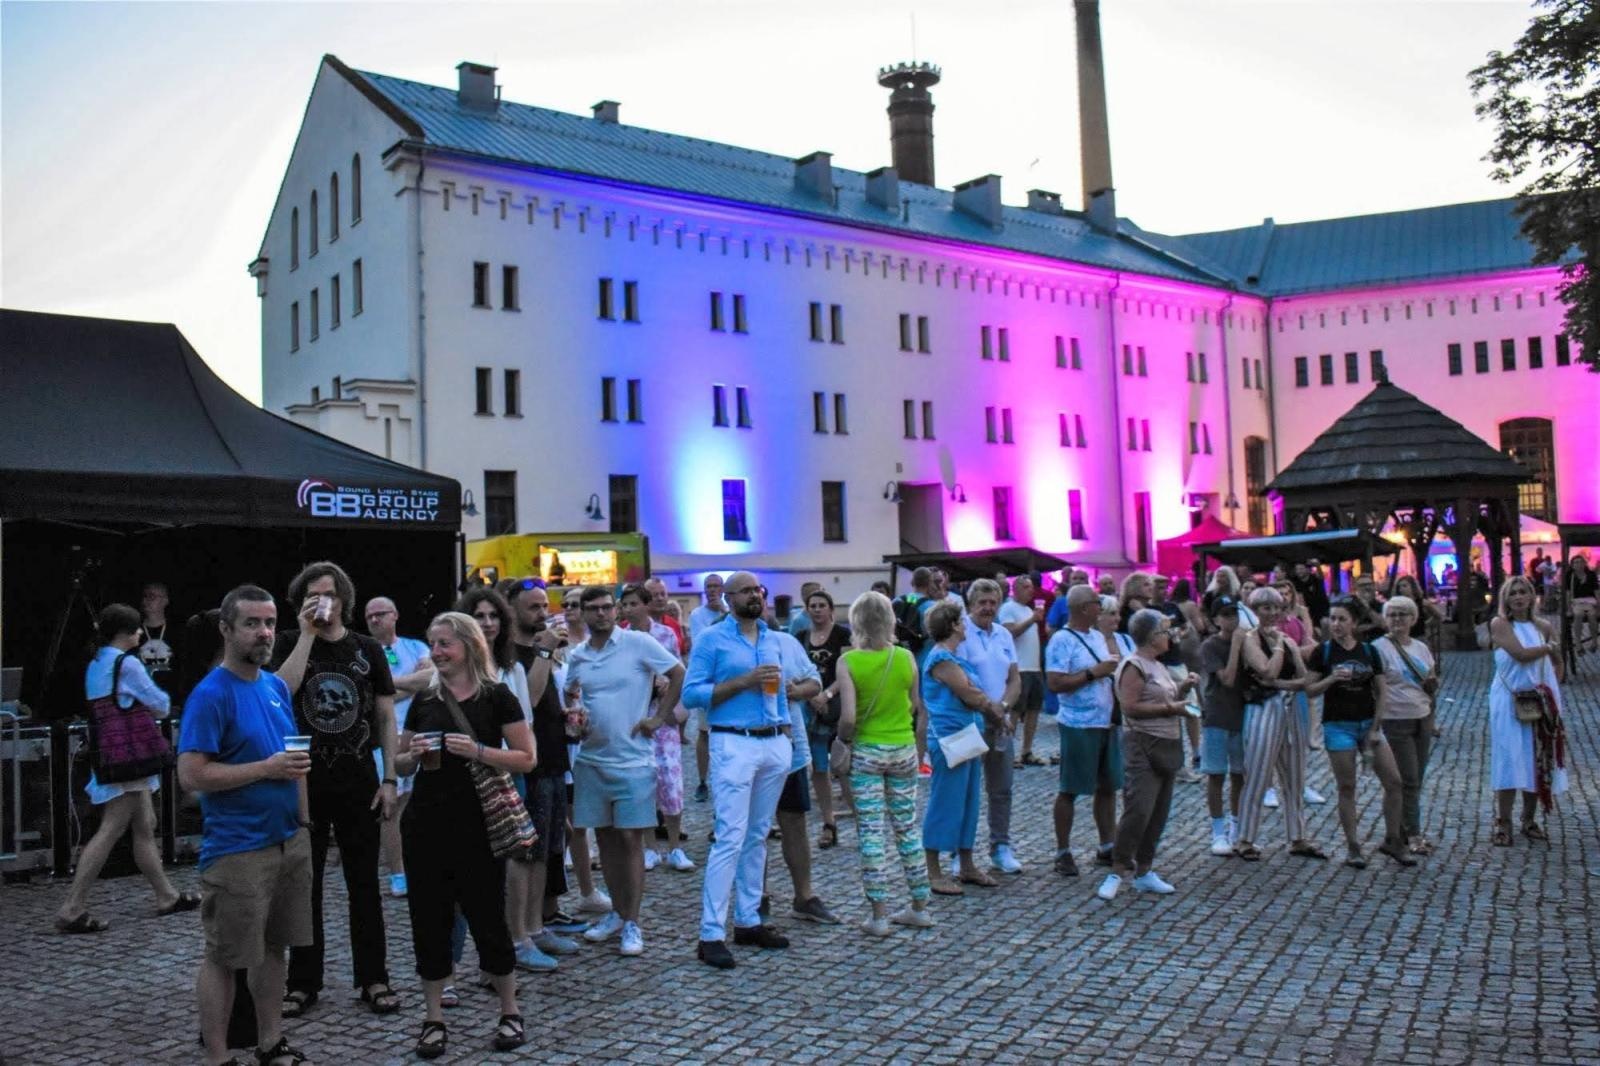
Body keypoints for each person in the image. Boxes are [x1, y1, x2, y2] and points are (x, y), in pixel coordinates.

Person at [178, 585, 314, 1066]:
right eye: (252, 624)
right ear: (226, 629)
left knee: (275, 949)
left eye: (270, 623)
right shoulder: (210, 694)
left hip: (287, 841)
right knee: (225, 957)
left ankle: (270, 1042)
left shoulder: (274, 686)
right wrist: (265, 769)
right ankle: (218, 1057)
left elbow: (293, 760)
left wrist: (304, 823)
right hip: (238, 849)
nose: (264, 633)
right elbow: (191, 777)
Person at [395, 612, 534, 1057]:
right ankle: (433, 1017)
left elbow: (527, 758)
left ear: (470, 646)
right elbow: (398, 762)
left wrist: (477, 750)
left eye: (444, 644)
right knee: (429, 922)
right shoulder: (426, 699)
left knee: (487, 918)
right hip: (426, 825)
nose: (435, 652)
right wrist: (410, 755)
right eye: (432, 644)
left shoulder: (498, 698)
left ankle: (510, 1010)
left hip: (478, 825)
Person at [270, 562, 397, 1019]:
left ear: (344, 598)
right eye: (311, 594)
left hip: (359, 779)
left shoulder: (366, 649)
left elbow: (385, 718)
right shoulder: (286, 642)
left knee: (364, 884)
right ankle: (303, 981)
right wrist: (306, 633)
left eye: (328, 593)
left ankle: (374, 977)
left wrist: (390, 779)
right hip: (303, 783)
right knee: (305, 886)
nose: (321, 601)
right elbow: (278, 694)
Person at [55, 603, 197, 934]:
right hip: (131, 756)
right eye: (135, 628)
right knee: (113, 826)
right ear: (124, 632)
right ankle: (72, 906)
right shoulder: (128, 664)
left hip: (112, 753)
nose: (139, 633)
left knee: (144, 823)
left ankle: (166, 895)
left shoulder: (96, 662)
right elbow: (160, 705)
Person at [562, 583, 685, 958]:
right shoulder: (579, 655)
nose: (600, 614)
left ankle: (633, 920)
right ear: (582, 612)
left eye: (606, 607)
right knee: (607, 839)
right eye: (592, 608)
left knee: (631, 840)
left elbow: (678, 673)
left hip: (633, 760)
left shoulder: (637, 643)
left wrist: (659, 718)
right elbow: (571, 694)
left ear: (615, 611)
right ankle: (617, 913)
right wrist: (576, 721)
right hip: (592, 759)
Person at [683, 572, 797, 969]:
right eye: (747, 591)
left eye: (758, 590)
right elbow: (692, 693)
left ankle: (748, 919)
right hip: (732, 740)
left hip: (771, 740)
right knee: (729, 836)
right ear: (728, 599)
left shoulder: (770, 637)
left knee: (758, 835)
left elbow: (781, 688)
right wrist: (743, 681)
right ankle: (710, 932)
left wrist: (784, 730)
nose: (755, 596)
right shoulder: (712, 639)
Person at [456, 585, 549, 973]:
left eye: (494, 616)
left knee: (517, 857)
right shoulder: (456, 666)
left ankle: (517, 939)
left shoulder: (511, 666)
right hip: (468, 774)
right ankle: (472, 956)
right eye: (480, 617)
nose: (488, 623)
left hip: (510, 771)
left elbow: (525, 719)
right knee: (471, 867)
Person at [832, 591, 931, 935]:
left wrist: (843, 742)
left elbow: (847, 718)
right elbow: (915, 706)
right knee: (907, 829)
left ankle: (879, 915)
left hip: (867, 751)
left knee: (871, 833)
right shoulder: (906, 657)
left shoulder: (849, 662)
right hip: (903, 748)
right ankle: (919, 906)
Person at [1304, 597, 1415, 869]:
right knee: (1347, 786)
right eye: (1333, 618)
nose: (1336, 624)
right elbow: (1310, 690)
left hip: (1368, 723)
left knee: (1394, 782)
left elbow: (1381, 691)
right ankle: (1353, 845)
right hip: (1338, 725)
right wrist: (1331, 679)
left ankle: (1393, 840)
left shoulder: (1368, 652)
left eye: (1342, 619)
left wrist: (1376, 728)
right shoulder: (1324, 652)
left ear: (1353, 623)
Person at [500, 579, 576, 966]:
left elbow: (547, 703)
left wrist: (570, 716)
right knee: (525, 853)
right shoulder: (510, 654)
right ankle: (519, 938)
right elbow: (524, 701)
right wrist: (546, 651)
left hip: (552, 759)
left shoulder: (541, 651)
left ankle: (535, 928)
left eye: (545, 605)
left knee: (546, 852)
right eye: (533, 607)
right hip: (526, 763)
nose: (543, 613)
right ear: (511, 610)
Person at [1095, 609, 1197, 900]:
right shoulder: (1134, 665)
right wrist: (1172, 709)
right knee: (1138, 809)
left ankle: (1144, 870)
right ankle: (1118, 869)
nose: (1171, 637)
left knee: (1158, 811)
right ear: (1153, 637)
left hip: (1166, 743)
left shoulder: (1158, 665)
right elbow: (1130, 706)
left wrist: (1183, 689)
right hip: (1142, 744)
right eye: (1166, 632)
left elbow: (1165, 696)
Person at [1232, 586, 1326, 863]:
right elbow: (1267, 670)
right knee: (1258, 774)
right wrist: (1276, 649)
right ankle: (1245, 839)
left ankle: (1297, 836)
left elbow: (1303, 679)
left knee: (1295, 776)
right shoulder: (1250, 638)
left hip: (1289, 708)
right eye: (1265, 608)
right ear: (1255, 611)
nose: (1272, 613)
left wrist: (1280, 683)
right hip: (1263, 709)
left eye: (1275, 607)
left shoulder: (1288, 639)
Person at [920, 601, 1008, 895]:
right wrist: (995, 712)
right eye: (961, 621)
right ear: (955, 625)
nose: (965, 625)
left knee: (969, 802)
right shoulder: (942, 659)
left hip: (966, 735)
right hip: (949, 739)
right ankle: (933, 870)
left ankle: (967, 863)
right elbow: (969, 693)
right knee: (945, 802)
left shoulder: (953, 656)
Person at [1044, 585, 1124, 876]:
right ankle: (1062, 851)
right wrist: (1093, 673)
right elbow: (1054, 683)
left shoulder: (1097, 637)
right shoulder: (1062, 641)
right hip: (1078, 723)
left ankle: (1107, 845)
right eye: (1095, 603)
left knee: (1108, 787)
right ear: (1082, 609)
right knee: (1070, 788)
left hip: (1104, 721)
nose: (1100, 608)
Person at [615, 584, 694, 873]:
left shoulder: (665, 634)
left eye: (634, 603)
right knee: (643, 781)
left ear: (645, 605)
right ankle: (650, 847)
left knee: (671, 780)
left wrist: (665, 689)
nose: (629, 609)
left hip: (663, 714)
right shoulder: (620, 637)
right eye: (625, 605)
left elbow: (676, 670)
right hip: (634, 716)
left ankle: (674, 846)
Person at [1488, 576, 1570, 845]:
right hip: (1509, 699)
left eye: (1524, 592)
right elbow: (1521, 654)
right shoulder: (1500, 624)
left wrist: (1550, 689)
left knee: (1537, 755)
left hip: (1539, 700)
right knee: (1509, 756)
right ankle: (1503, 821)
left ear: (1532, 595)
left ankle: (1529, 819)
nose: (1519, 597)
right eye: (1513, 593)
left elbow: (1559, 662)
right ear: (1506, 599)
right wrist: (1547, 648)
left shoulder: (1544, 626)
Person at [768, 621, 838, 927]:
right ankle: (755, 897)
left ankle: (804, 896)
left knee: (794, 821)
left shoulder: (785, 642)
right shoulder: (723, 643)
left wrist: (795, 690)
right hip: (747, 748)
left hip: (789, 748)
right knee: (753, 829)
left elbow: (814, 683)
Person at [365, 596, 434, 898]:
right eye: (370, 616)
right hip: (384, 737)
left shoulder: (416, 647)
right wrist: (409, 685)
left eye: (381, 614)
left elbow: (432, 679)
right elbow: (371, 699)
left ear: (394, 615)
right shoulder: (366, 651)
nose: (375, 620)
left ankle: (418, 864)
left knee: (417, 802)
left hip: (418, 731)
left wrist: (391, 685)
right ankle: (397, 872)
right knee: (392, 805)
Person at [956, 579, 1023, 875]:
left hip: (1000, 720)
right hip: (971, 719)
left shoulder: (1004, 635)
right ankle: (960, 851)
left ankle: (1001, 847)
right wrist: (988, 708)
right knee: (965, 789)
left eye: (992, 602)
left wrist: (1004, 707)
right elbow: (961, 679)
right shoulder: (960, 633)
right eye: (982, 602)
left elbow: (1014, 678)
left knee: (1002, 788)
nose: (987, 608)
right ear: (971, 604)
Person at [1373, 596, 1438, 855]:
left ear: (1413, 618)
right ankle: (1412, 834)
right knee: (1406, 779)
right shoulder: (1378, 648)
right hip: (1394, 720)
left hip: (1421, 717)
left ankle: (1400, 831)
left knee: (1416, 779)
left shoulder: (1421, 649)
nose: (1397, 619)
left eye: (1403, 614)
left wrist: (1432, 718)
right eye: (1392, 614)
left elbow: (1430, 681)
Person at [799, 590, 853, 848]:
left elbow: (848, 669)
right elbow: (798, 672)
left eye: (822, 605)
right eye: (813, 606)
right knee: (820, 768)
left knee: (844, 766)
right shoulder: (801, 638)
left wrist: (827, 693)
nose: (817, 609)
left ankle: (860, 819)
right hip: (813, 713)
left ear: (831, 608)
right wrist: (811, 697)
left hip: (839, 707)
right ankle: (828, 822)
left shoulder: (843, 635)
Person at [1197, 596, 1247, 857]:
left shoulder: (1247, 641)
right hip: (1217, 715)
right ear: (1216, 620)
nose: (1232, 619)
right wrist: (1237, 646)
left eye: (1234, 613)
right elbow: (1227, 679)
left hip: (1242, 715)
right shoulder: (1210, 646)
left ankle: (1236, 828)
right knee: (1216, 774)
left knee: (1240, 774)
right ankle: (1218, 831)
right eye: (1226, 614)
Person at [999, 575, 1047, 768]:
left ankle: (1027, 750)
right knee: (1015, 710)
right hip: (1019, 667)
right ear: (1016, 589)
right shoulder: (1008, 608)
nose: (1031, 591)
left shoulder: (1028, 609)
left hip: (1034, 667)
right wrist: (1033, 619)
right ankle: (1009, 752)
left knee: (1034, 709)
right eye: (1026, 587)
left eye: (1031, 587)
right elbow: (1010, 632)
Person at [688, 575, 727, 803]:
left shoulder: (730, 613)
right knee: (704, 732)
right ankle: (703, 779)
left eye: (716, 587)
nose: (712, 590)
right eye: (708, 587)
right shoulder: (697, 615)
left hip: (727, 678)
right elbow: (703, 641)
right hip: (707, 680)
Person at [138, 580, 179, 693]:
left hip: (171, 701)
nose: (146, 601)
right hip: (140, 702)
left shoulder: (178, 632)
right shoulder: (133, 632)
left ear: (165, 600)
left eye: (151, 596)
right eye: (144, 596)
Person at [1565, 555, 1597, 654]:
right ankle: (1578, 644)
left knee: (1592, 615)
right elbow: (1568, 593)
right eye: (1576, 562)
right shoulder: (1570, 575)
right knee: (1578, 615)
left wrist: (1599, 605)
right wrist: (1569, 608)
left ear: (1584, 563)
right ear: (1572, 565)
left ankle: (1594, 642)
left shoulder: (1591, 574)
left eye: (1580, 562)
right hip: (1577, 601)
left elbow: (1596, 591)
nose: (1578, 564)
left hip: (1590, 601)